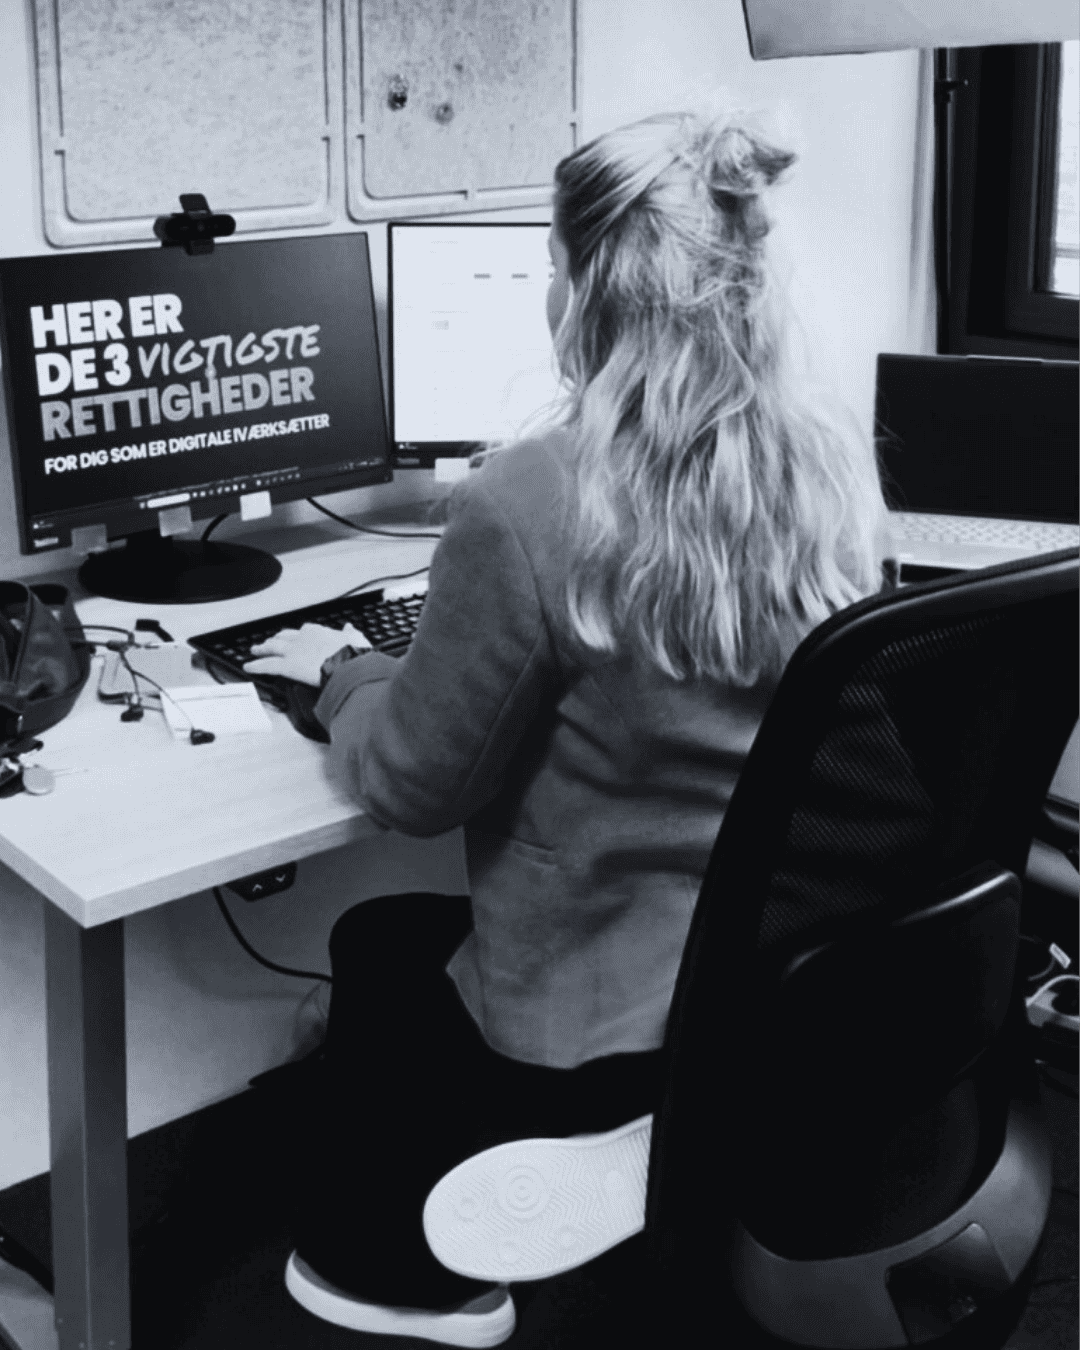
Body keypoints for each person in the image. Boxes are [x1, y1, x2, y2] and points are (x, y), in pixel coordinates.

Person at [243, 107, 891, 1347]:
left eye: (551, 267)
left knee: (378, 932)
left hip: (592, 1020)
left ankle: (409, 1278)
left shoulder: (530, 499)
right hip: (766, 995)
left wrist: (338, 677)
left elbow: (411, 791)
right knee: (399, 940)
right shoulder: (830, 469)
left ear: (588, 290)